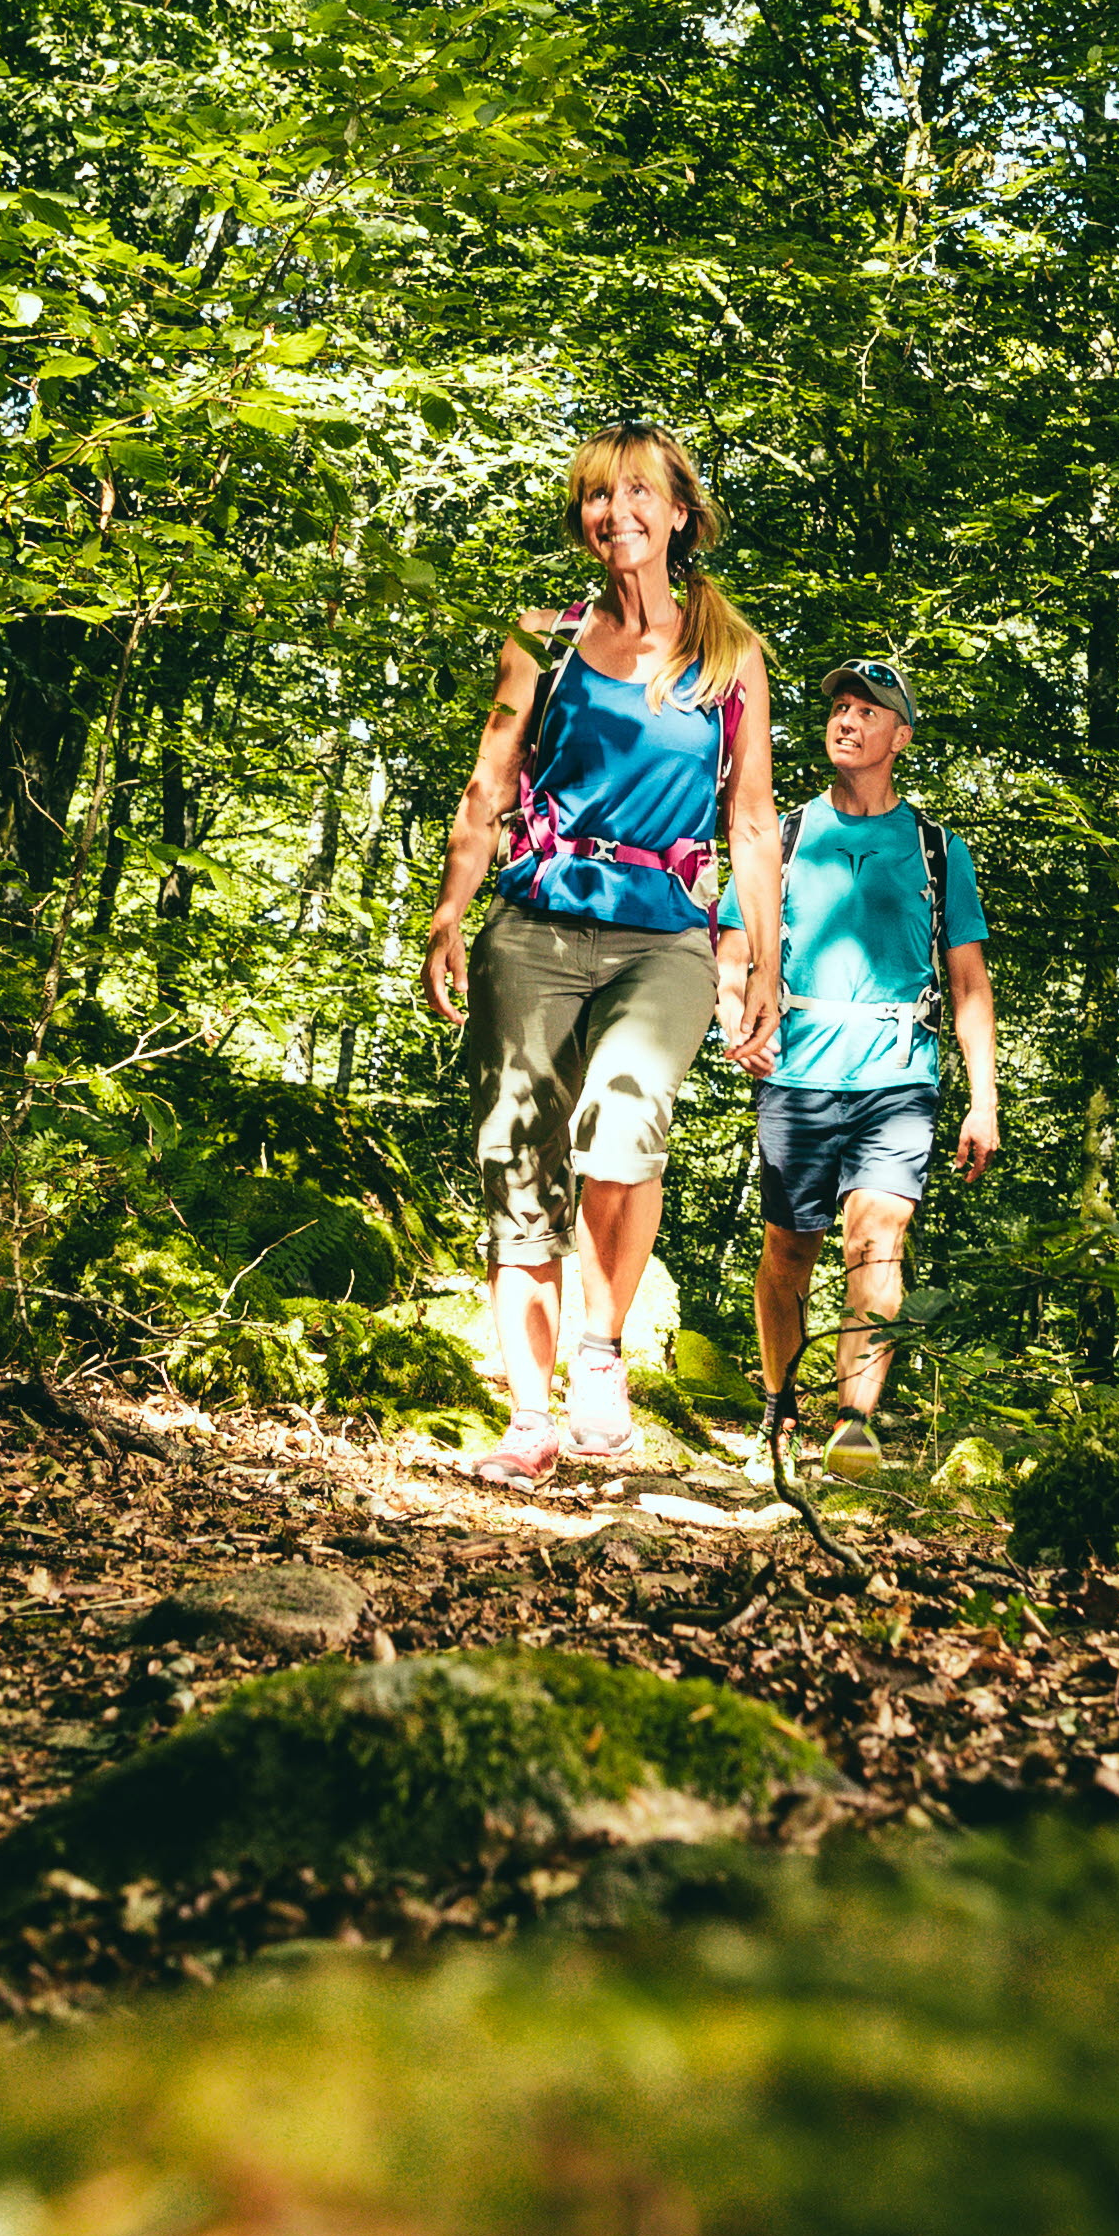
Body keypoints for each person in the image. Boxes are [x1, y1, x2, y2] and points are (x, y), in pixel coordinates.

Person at [416, 425, 786, 1483]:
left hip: (662, 936)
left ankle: (598, 1349)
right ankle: (528, 1418)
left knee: (622, 1124)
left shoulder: (731, 654)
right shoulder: (537, 639)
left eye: (638, 493)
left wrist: (758, 961)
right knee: (516, 1164)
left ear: (679, 512)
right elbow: (487, 785)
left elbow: (752, 822)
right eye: (595, 496)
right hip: (532, 924)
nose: (615, 511)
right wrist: (450, 907)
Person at [715, 657, 995, 1471]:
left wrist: (984, 1101)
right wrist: (738, 1023)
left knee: (876, 1240)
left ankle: (854, 1424)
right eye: (839, 707)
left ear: (900, 737)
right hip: (797, 1074)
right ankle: (778, 1402)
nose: (846, 720)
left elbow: (968, 981)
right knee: (789, 1249)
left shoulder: (939, 851)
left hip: (899, 1077)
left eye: (867, 712)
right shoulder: (788, 834)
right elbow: (732, 948)